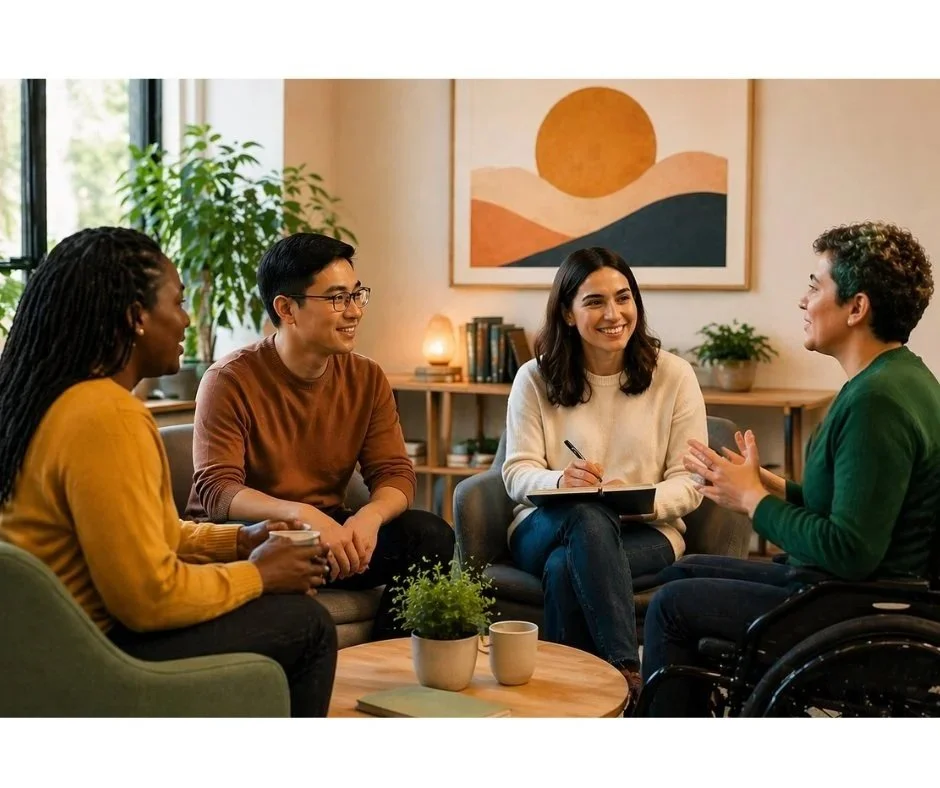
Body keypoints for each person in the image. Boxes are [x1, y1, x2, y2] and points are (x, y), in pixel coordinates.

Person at [0, 227, 338, 717]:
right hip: (91, 656)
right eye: (177, 303)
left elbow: (133, 536)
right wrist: (259, 574)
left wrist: (238, 542)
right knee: (304, 625)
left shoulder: (44, 397)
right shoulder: (108, 416)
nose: (186, 320)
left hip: (35, 651)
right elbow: (148, 599)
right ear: (137, 316)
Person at [641, 220, 940, 716]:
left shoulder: (876, 403)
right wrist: (768, 485)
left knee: (672, 607)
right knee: (682, 570)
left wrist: (752, 502)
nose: (803, 301)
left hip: (855, 606)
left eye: (815, 285)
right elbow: (858, 505)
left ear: (857, 307)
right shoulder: (900, 379)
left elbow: (850, 551)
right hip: (852, 595)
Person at [185, 232, 455, 640]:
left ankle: (389, 664)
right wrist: (300, 515)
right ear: (286, 309)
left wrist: (367, 519)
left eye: (356, 294)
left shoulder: (366, 377)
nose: (353, 312)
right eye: (336, 298)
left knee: (431, 535)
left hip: (332, 536)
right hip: (255, 537)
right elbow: (218, 492)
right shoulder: (229, 381)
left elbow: (396, 474)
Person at [501, 246, 707, 701]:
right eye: (594, 302)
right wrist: (559, 482)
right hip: (546, 527)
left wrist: (638, 496)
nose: (613, 313)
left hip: (647, 531)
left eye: (623, 297)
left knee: (565, 566)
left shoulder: (674, 375)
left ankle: (565, 701)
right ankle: (625, 675)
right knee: (588, 517)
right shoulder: (534, 378)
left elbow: (691, 481)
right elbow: (516, 472)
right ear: (569, 314)